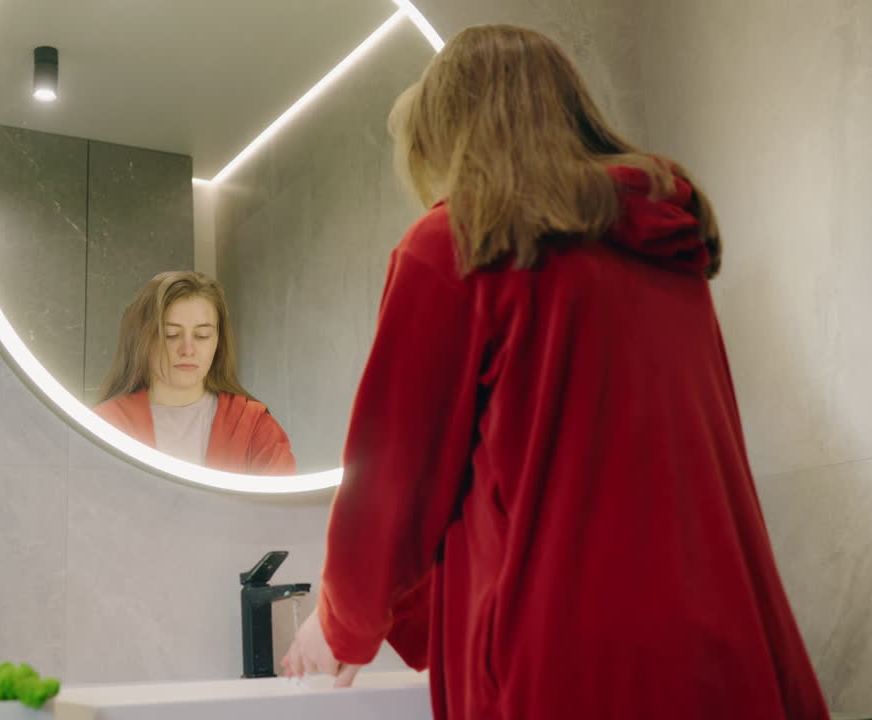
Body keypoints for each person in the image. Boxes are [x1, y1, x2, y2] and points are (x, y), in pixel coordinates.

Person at [280, 24, 830, 720]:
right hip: (727, 645)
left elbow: (394, 486)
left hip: (564, 659)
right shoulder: (666, 244)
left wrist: (339, 624)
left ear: (447, 136)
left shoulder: (454, 245)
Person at [93, 270, 296, 475]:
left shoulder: (254, 427)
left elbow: (285, 506)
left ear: (218, 341)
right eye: (171, 335)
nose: (188, 350)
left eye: (202, 335)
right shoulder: (106, 425)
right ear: (143, 340)